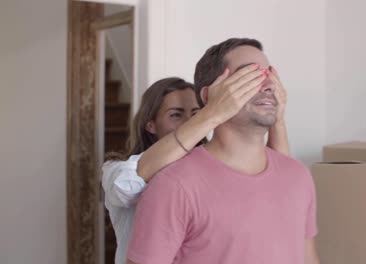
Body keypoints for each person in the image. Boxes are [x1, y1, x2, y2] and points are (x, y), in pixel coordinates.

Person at [126, 38, 320, 264]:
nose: (268, 85)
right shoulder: (174, 186)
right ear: (210, 96)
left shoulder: (298, 175)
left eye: (269, 74)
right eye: (250, 75)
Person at [102, 75, 289, 264]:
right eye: (176, 114)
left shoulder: (215, 168)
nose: (188, 122)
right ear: (151, 124)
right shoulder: (115, 170)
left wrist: (278, 119)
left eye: (195, 113)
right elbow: (125, 185)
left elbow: (279, 185)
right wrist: (212, 114)